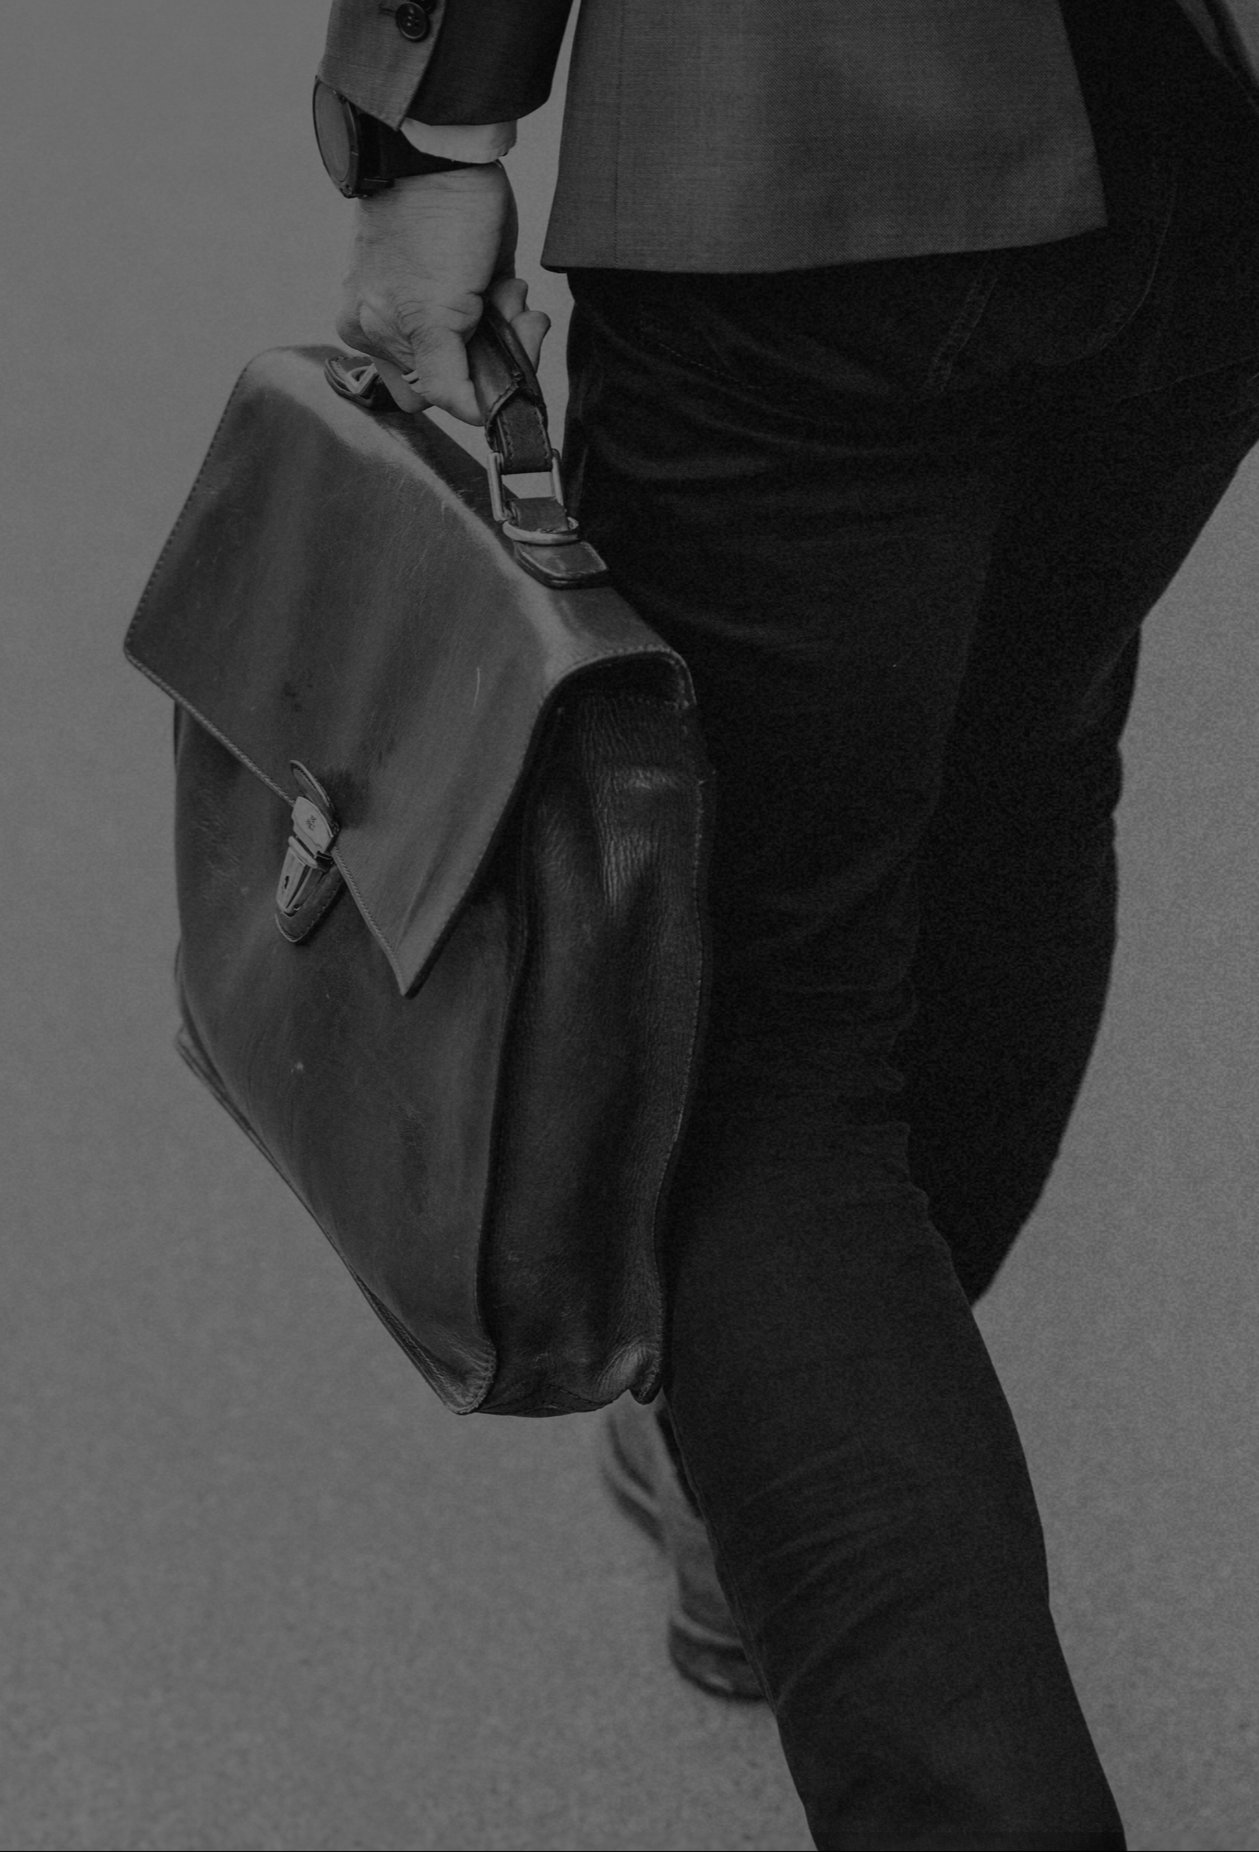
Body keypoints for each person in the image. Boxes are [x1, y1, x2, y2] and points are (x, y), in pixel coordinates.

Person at [315, 1, 1259, 1846]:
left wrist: (433, 135)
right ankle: (777, 1462)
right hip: (1205, 149)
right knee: (1019, 785)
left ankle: (825, 1528)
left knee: (753, 1021)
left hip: (795, 149)